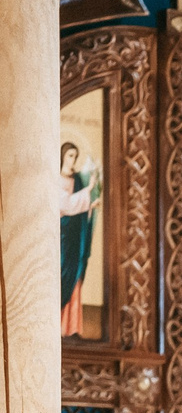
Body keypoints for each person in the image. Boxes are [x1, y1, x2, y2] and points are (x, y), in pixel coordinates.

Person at [59, 139, 98, 337]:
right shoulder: (55, 179)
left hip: (75, 238)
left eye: (75, 156)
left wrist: (90, 206)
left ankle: (71, 327)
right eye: (70, 156)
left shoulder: (78, 180)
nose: (73, 160)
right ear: (62, 157)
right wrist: (89, 190)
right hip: (61, 238)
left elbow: (79, 209)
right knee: (60, 277)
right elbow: (65, 205)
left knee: (75, 277)